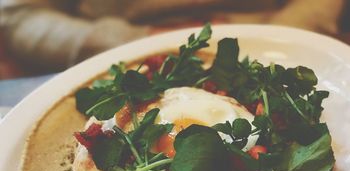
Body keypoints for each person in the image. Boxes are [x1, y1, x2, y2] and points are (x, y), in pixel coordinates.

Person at [0, 0, 346, 73]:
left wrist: (282, 35)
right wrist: (138, 41)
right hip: (118, 52)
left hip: (279, 35)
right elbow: (14, 16)